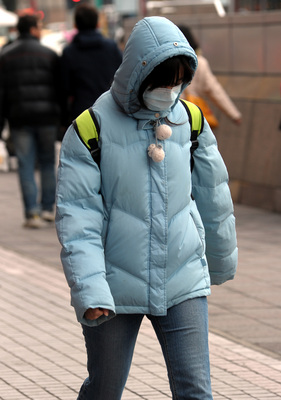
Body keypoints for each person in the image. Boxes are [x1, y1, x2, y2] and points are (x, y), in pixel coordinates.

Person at [56, 16, 238, 400]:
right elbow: (78, 219)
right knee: (105, 390)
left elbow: (214, 197)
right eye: (162, 81)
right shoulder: (91, 130)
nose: (170, 90)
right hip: (113, 286)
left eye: (178, 80)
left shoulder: (190, 120)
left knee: (195, 391)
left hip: (182, 276)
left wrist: (219, 262)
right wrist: (90, 292)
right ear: (139, 72)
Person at [0, 14, 61, 228]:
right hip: (47, 117)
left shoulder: (5, 56)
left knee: (25, 164)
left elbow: (2, 93)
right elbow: (60, 89)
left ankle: (31, 213)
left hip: (19, 118)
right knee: (47, 162)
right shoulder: (50, 55)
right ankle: (47, 209)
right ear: (33, 29)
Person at [60, 3, 123, 130]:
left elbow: (64, 88)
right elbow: (124, 78)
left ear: (75, 25)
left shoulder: (69, 52)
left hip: (81, 115)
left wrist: (63, 119)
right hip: (111, 112)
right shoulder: (111, 48)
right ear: (98, 24)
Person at [178, 25, 242, 128]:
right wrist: (234, 114)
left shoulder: (168, 63)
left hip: (172, 116)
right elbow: (215, 90)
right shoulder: (200, 63)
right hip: (192, 115)